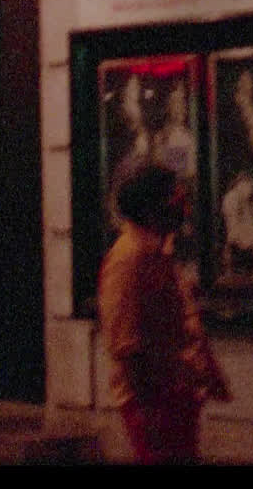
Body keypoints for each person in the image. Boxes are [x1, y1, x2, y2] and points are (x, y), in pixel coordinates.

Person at [99, 162, 230, 464]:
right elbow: (125, 345)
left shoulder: (156, 250)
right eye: (173, 199)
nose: (183, 206)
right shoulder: (128, 259)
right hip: (153, 400)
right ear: (148, 209)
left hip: (172, 392)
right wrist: (149, 416)